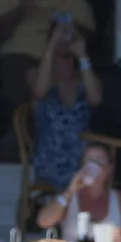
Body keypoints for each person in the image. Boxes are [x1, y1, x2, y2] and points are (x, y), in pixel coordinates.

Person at [0, 0, 96, 157]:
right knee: (19, 79)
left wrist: (69, 25)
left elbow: (90, 33)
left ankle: (54, 142)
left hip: (61, 57)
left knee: (69, 82)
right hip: (18, 54)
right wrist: (21, 11)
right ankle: (26, 140)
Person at [31, 17, 102, 191]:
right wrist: (52, 46)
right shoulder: (37, 74)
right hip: (52, 156)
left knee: (97, 166)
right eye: (60, 33)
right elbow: (39, 91)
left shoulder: (84, 77)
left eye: (69, 33)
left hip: (83, 155)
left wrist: (83, 56)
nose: (65, 38)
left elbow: (96, 98)